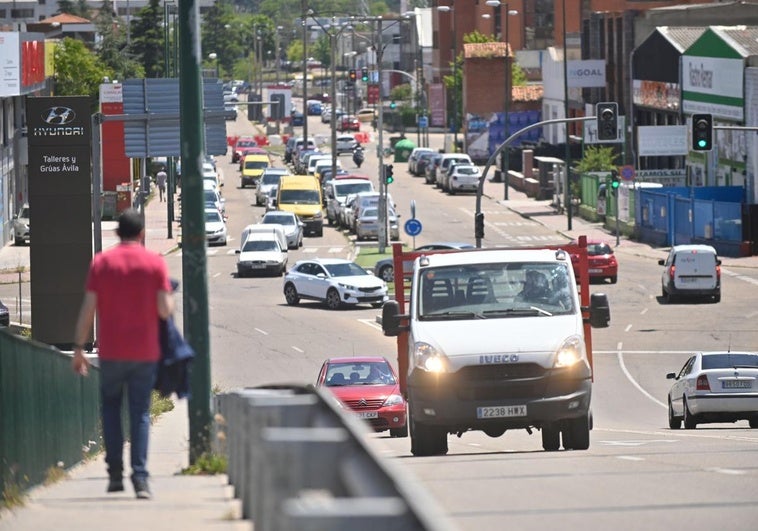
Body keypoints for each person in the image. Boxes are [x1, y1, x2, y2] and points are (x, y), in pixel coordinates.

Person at [72, 208, 174, 500]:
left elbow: (88, 309)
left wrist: (78, 348)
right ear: (142, 233)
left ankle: (115, 474)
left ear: (117, 233)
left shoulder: (102, 263)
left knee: (111, 409)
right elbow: (165, 310)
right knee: (140, 413)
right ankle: (140, 478)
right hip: (145, 353)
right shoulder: (154, 263)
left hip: (112, 352)